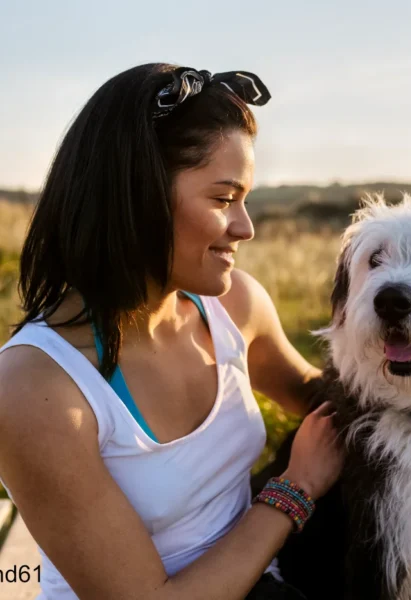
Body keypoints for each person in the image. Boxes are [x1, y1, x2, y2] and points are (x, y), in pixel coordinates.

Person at [0, 64, 344, 600]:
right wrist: (293, 489)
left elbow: (323, 400)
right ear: (136, 196)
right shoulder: (35, 387)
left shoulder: (234, 305)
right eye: (223, 198)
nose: (245, 227)